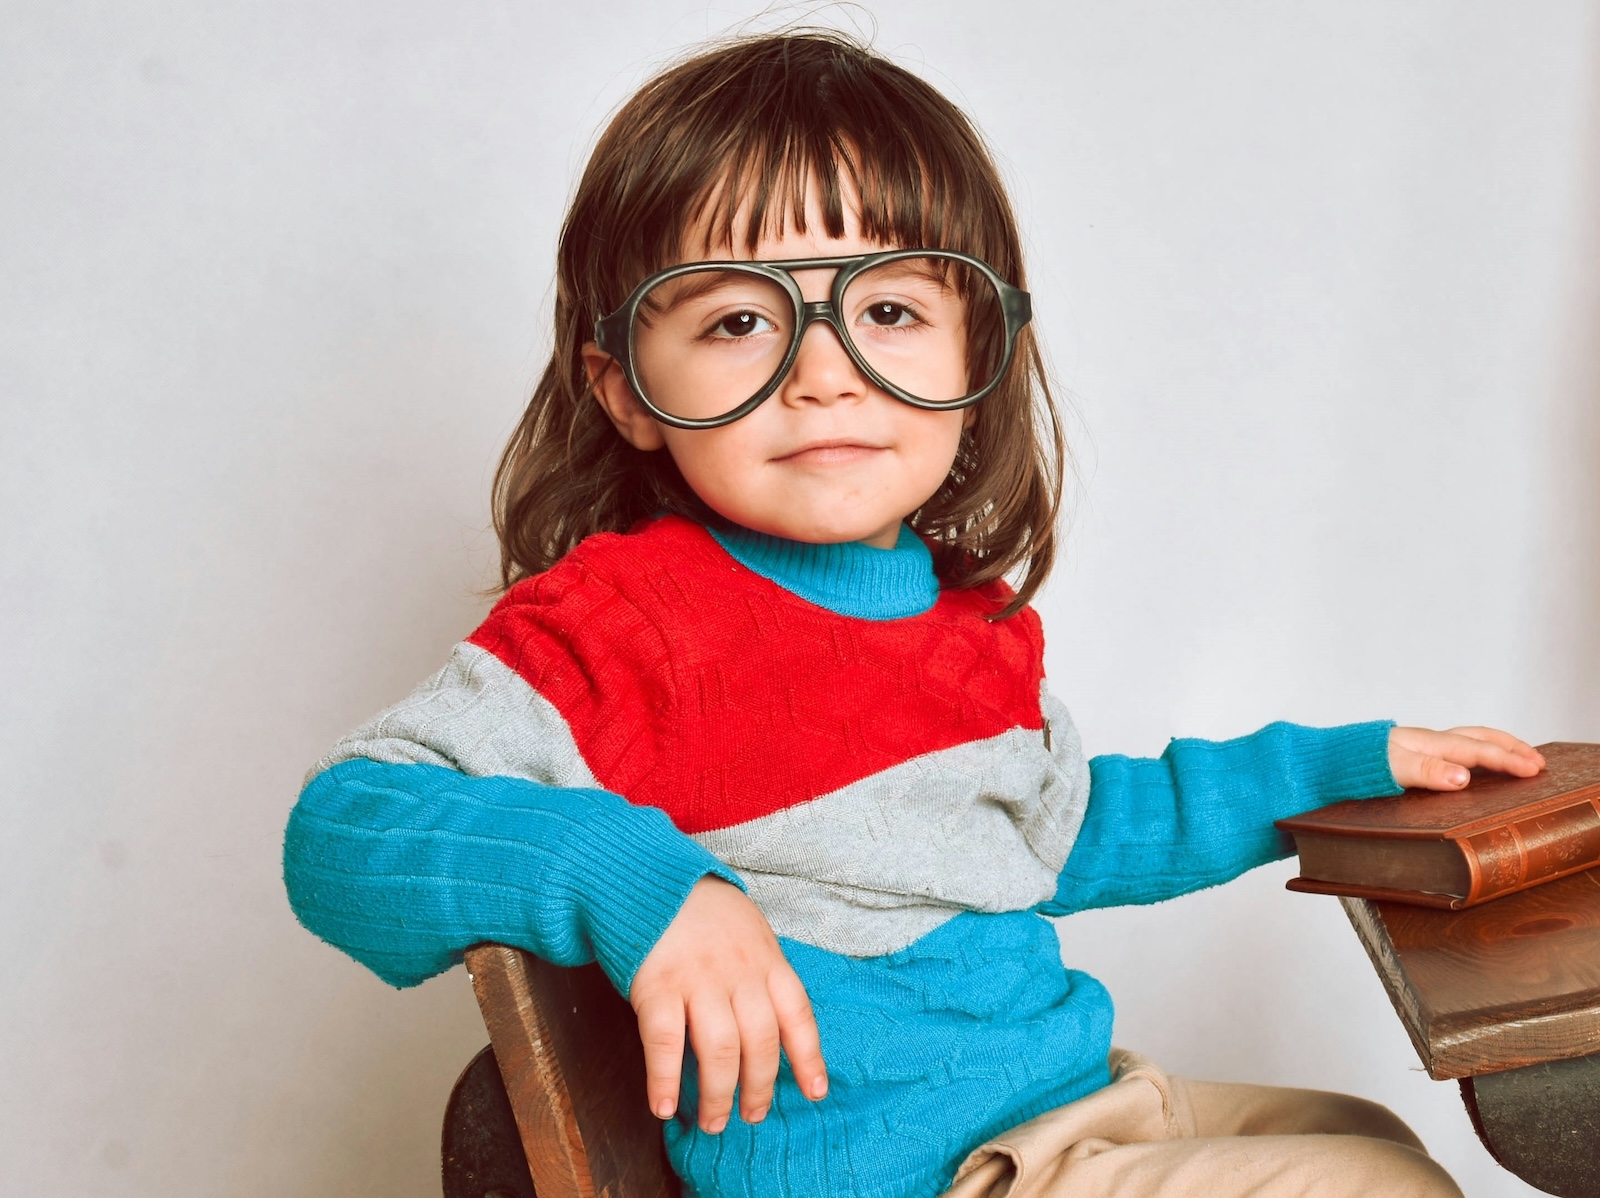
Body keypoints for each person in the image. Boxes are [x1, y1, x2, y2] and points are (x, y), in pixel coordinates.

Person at [283, 30, 1544, 1198]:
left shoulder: (965, 627)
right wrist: (640, 886)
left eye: (886, 309)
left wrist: (1340, 768)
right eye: (738, 320)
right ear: (623, 389)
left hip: (1069, 1107)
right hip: (924, 1175)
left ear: (971, 356)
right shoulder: (626, 622)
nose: (824, 370)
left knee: (1371, 1135)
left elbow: (1063, 834)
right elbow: (343, 829)